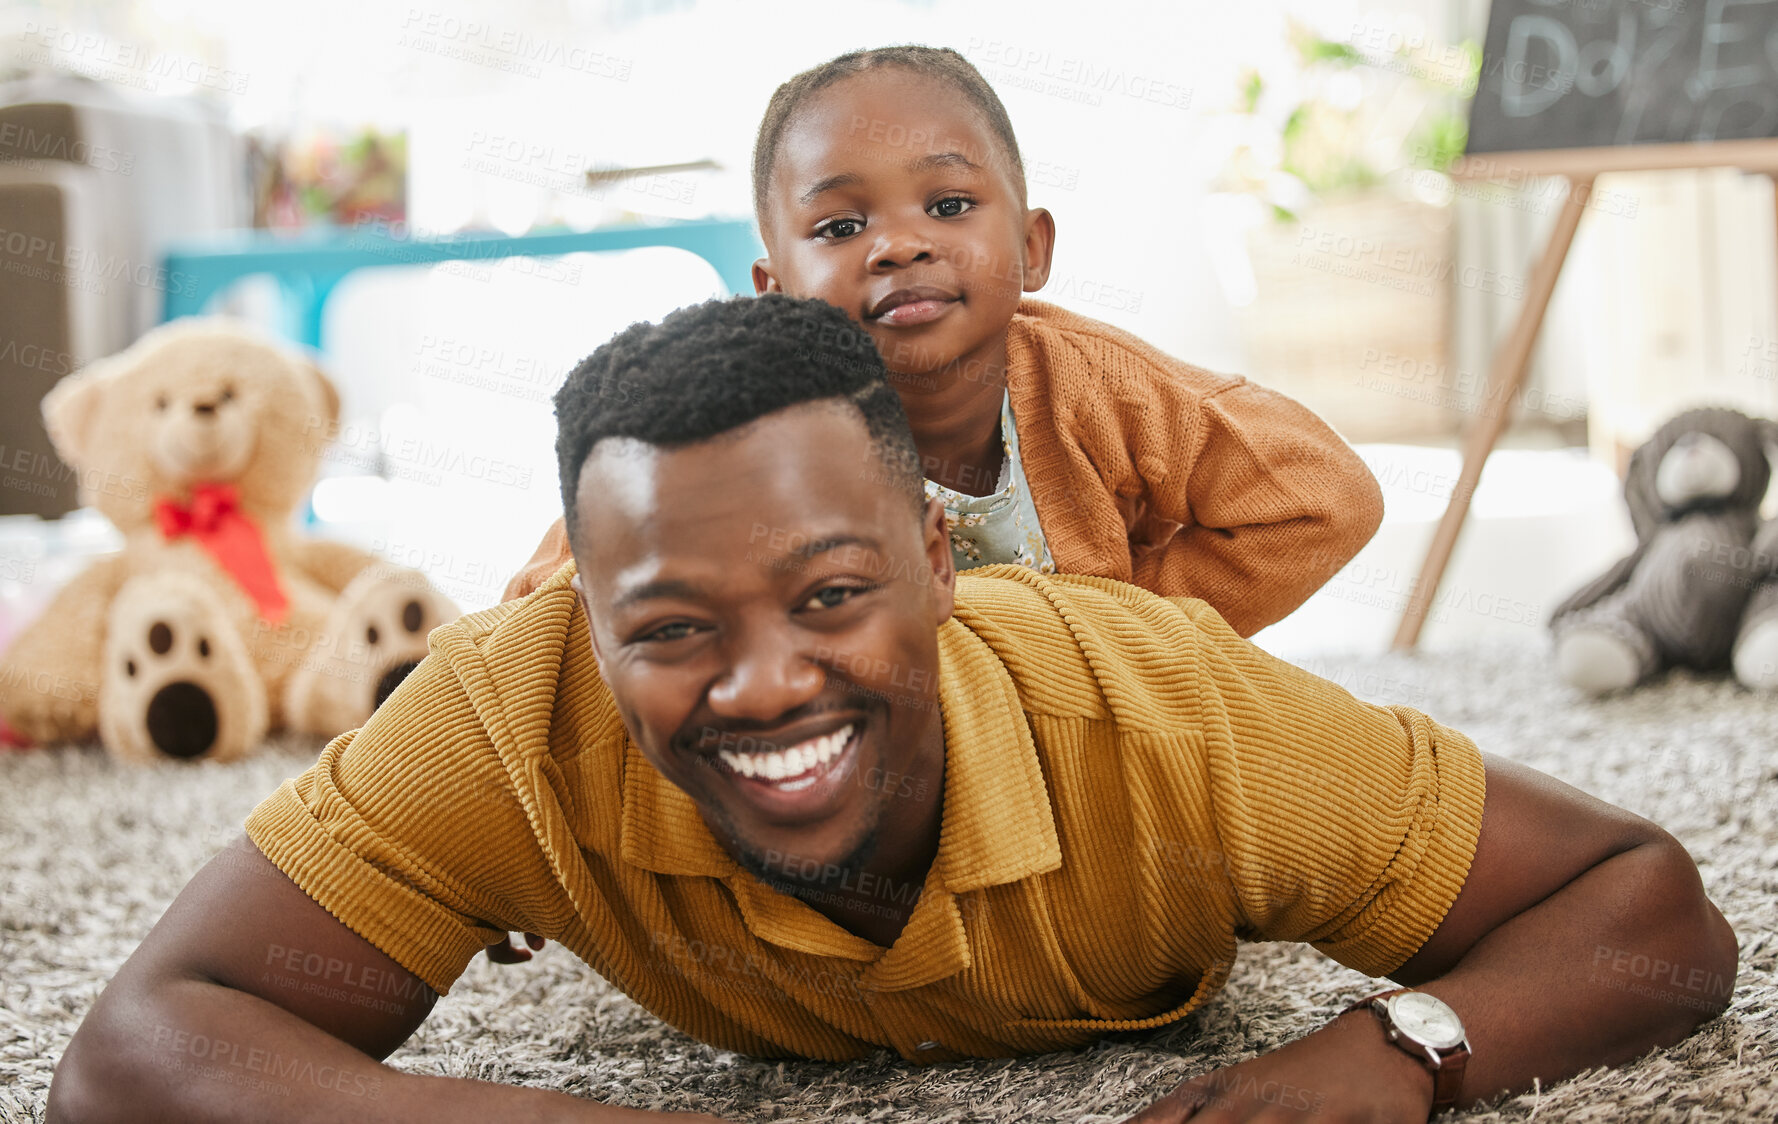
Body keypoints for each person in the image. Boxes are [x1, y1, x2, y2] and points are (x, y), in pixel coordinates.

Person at [48, 296, 1736, 1124]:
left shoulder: (1171, 719)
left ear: (936, 556)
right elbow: (141, 1046)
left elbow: (1645, 905)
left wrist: (1404, 1046)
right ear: (583, 597)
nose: (765, 677)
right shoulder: (509, 704)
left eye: (832, 594)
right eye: (672, 625)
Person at [502, 46, 1383, 639]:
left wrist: (1129, 628)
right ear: (773, 294)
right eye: (842, 225)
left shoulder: (1101, 389)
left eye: (950, 206)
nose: (899, 244)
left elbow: (1322, 498)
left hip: (1083, 738)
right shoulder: (745, 429)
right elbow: (551, 599)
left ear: (1032, 249)